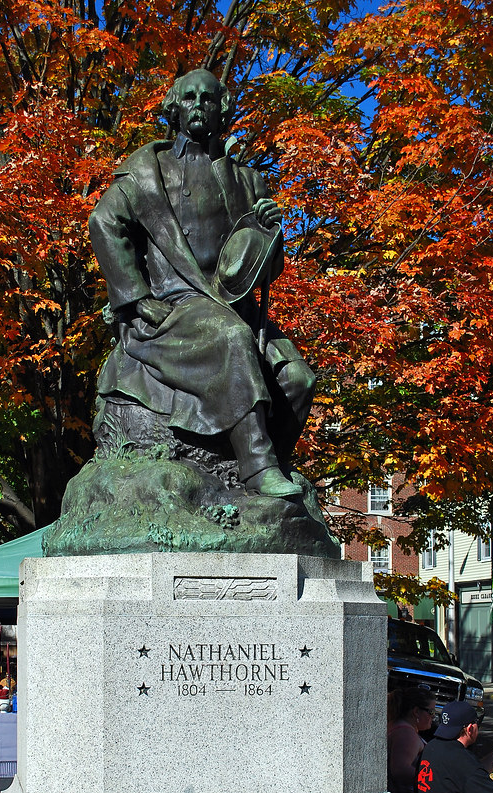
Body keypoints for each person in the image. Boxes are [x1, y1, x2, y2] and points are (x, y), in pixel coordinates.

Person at [89, 69, 316, 500]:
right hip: (178, 302)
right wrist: (135, 299)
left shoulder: (248, 180)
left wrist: (270, 234)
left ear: (222, 110)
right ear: (174, 109)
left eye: (208, 99)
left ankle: (272, 468)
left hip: (233, 303)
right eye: (189, 98)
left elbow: (268, 269)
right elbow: (103, 222)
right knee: (231, 338)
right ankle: (255, 466)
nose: (198, 106)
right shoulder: (147, 170)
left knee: (299, 379)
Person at [387, 686, 436, 793]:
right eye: (430, 712)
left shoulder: (401, 727)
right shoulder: (406, 733)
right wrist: (435, 778)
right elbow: (400, 770)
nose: (433, 717)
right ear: (416, 712)